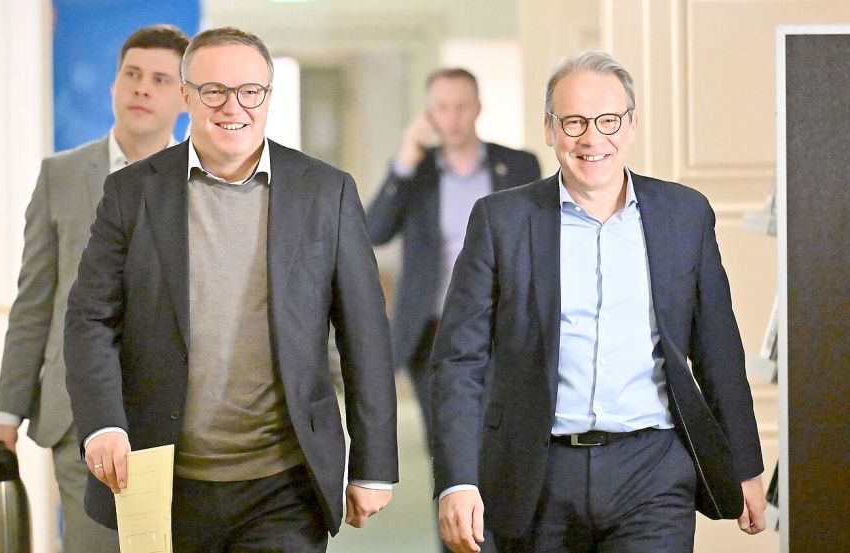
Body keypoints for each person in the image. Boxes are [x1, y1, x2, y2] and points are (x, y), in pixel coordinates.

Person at [64, 27, 398, 552]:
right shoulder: (132, 191)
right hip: (164, 478)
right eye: (213, 90)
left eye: (249, 91)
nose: (232, 106)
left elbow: (364, 333)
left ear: (267, 96)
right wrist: (103, 424)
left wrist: (374, 463)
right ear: (186, 96)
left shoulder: (326, 191)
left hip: (285, 483)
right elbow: (90, 318)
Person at [429, 51, 767, 553]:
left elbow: (718, 350)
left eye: (608, 121)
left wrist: (744, 465)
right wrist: (457, 481)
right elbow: (459, 361)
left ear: (630, 126)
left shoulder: (685, 215)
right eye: (574, 122)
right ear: (549, 129)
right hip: (536, 474)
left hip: (653, 472)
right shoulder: (501, 221)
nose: (592, 139)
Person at [0, 24, 189, 553]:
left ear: (185, 98)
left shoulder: (200, 182)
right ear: (114, 85)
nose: (142, 88)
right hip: (77, 415)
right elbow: (34, 304)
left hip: (177, 415)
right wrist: (7, 417)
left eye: (161, 79)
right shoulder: (62, 176)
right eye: (132, 75)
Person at [366, 67, 540, 440]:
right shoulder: (416, 171)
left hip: (500, 328)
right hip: (432, 332)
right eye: (442, 107)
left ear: (478, 108)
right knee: (447, 447)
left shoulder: (520, 166)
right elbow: (374, 232)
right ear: (429, 114)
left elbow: (540, 243)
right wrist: (403, 164)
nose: (452, 117)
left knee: (503, 442)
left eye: (461, 106)